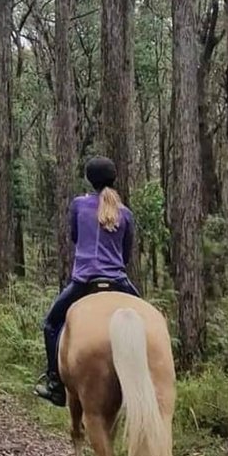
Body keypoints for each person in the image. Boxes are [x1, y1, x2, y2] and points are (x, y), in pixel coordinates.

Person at [34, 157, 140, 407]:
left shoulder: (79, 205)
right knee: (153, 320)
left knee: (51, 324)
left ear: (89, 180)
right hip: (118, 280)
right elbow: (126, 254)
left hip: (84, 280)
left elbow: (74, 236)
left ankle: (55, 384)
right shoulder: (125, 213)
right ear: (114, 178)